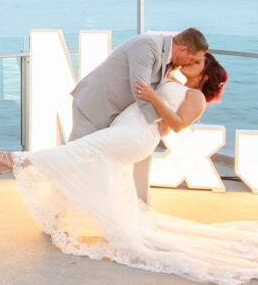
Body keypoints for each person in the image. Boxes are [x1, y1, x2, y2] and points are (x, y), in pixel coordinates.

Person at [0, 55, 258, 285]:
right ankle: (107, 225)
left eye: (199, 62)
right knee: (95, 168)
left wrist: (153, 97)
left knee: (79, 151)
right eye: (193, 58)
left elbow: (177, 124)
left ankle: (17, 160)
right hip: (127, 129)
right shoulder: (176, 82)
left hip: (135, 135)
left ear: (206, 74)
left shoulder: (197, 97)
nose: (192, 62)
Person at [69, 28, 208, 205]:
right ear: (183, 50)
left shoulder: (169, 60)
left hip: (121, 117)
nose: (191, 63)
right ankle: (56, 214)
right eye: (193, 59)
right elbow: (140, 89)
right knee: (76, 160)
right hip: (95, 106)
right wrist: (158, 123)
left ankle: (139, 206)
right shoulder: (147, 45)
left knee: (133, 159)